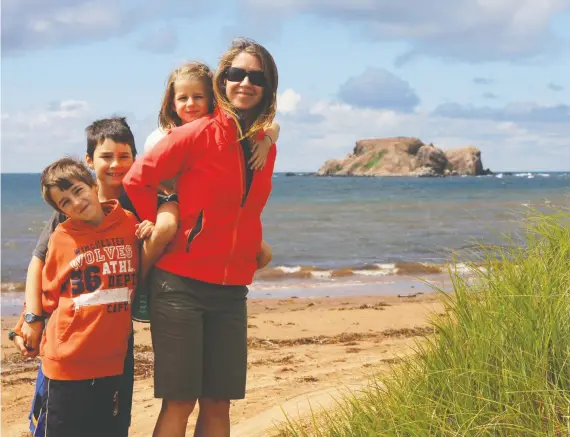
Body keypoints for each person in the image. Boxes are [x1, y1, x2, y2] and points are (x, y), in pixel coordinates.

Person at [122, 38, 279, 437]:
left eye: (256, 76)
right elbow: (138, 178)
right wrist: (162, 217)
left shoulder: (264, 144)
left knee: (218, 402)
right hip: (180, 286)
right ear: (221, 82)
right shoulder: (197, 133)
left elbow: (247, 208)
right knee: (180, 401)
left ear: (268, 86)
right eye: (237, 74)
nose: (246, 82)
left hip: (231, 291)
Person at [10, 117, 141, 437]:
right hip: (67, 350)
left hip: (112, 345)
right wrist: (30, 319)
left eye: (124, 156)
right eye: (106, 156)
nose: (116, 165)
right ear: (90, 163)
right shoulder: (65, 222)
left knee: (111, 425)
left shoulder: (135, 207)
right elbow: (41, 269)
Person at [138, 61, 278, 285]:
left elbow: (271, 124)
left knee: (264, 253)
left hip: (207, 208)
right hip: (172, 200)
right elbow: (144, 180)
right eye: (183, 98)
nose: (191, 104)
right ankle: (140, 284)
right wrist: (148, 216)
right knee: (165, 228)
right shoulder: (162, 137)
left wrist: (267, 141)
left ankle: (227, 279)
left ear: (212, 100)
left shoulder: (221, 131)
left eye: (198, 97)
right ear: (172, 104)